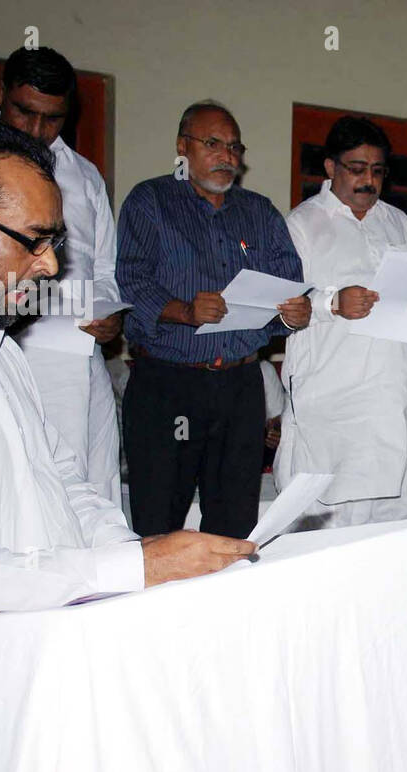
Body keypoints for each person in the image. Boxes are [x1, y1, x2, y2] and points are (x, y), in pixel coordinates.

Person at [0, 120, 254, 627]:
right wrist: (131, 566)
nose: (51, 266)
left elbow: (63, 481)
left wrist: (134, 560)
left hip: (36, 641)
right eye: (33, 240)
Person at [117, 101, 310, 538]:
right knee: (161, 523)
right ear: (183, 147)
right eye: (213, 144)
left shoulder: (259, 212)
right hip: (169, 385)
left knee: (235, 524)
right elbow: (130, 280)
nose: (227, 156)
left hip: (240, 390)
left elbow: (285, 290)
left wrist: (294, 312)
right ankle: (161, 607)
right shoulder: (151, 201)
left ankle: (228, 605)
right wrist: (183, 311)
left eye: (234, 147)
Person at [277, 116, 407, 528]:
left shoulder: (400, 225)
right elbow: (279, 306)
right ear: (330, 168)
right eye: (357, 169)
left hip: (395, 394)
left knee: (395, 522)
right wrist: (332, 303)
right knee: (330, 526)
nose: (368, 180)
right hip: (335, 404)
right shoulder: (301, 226)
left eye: (377, 171)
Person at [0, 47, 125, 506]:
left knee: (96, 484)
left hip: (84, 356)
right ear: (0, 94)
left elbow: (104, 268)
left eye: (52, 119)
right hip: (11, 353)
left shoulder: (84, 175)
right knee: (35, 490)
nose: (36, 130)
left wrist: (108, 316)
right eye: (24, 112)